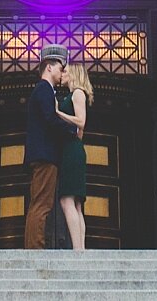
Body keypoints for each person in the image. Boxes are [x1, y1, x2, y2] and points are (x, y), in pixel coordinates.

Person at [22, 46, 72, 249]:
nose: (62, 73)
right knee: (42, 205)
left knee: (39, 204)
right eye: (60, 67)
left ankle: (33, 247)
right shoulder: (43, 89)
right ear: (49, 67)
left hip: (41, 155)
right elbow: (50, 119)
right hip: (44, 155)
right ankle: (35, 249)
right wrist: (71, 130)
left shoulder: (44, 90)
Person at [53, 63, 94, 250]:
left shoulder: (78, 93)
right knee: (76, 204)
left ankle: (78, 250)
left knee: (67, 199)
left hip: (72, 151)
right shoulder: (73, 94)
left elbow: (81, 122)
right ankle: (80, 249)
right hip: (73, 148)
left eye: (66, 72)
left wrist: (58, 112)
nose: (62, 74)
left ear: (74, 74)